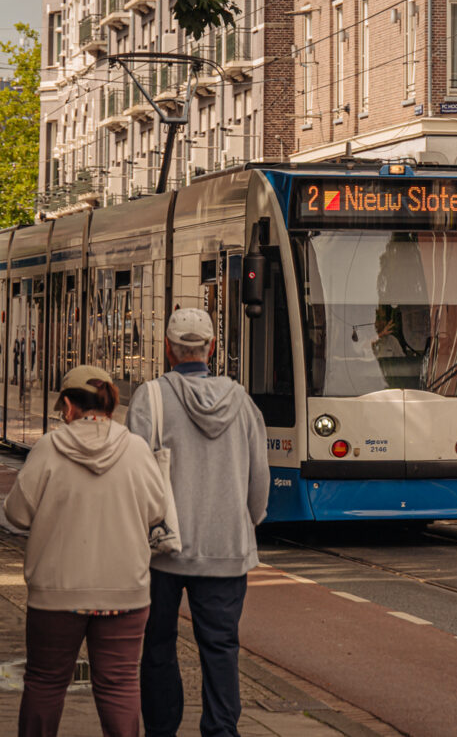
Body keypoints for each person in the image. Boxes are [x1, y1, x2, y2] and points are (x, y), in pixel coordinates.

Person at [126, 308, 269, 737]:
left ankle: (162, 729)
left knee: (157, 647)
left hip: (162, 549)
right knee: (222, 646)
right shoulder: (243, 402)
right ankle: (221, 730)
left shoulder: (150, 398)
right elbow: (258, 478)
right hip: (225, 548)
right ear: (211, 349)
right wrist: (246, 522)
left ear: (168, 349)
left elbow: (135, 474)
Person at [4, 366, 165, 737]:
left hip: (57, 592)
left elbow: (15, 514)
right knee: (120, 684)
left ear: (68, 405)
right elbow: (157, 511)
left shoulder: (48, 448)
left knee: (45, 682)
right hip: (125, 591)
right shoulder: (137, 450)